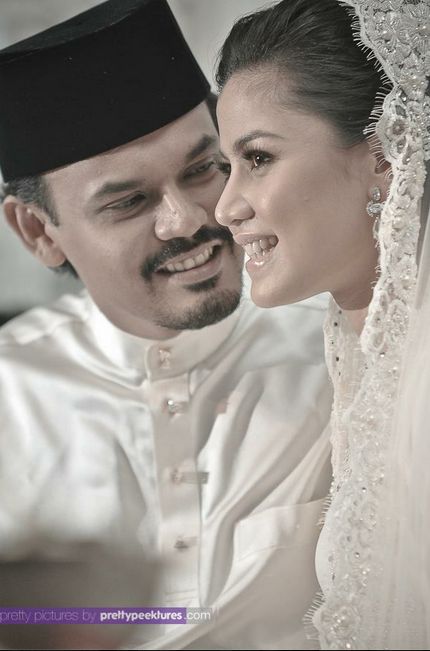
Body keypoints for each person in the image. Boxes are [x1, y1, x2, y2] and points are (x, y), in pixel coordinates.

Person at [0, 0, 333, 648]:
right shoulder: (10, 397)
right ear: (38, 231)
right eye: (128, 202)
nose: (189, 219)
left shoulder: (340, 344)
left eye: (204, 170)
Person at [214, 0, 430, 648]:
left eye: (257, 158)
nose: (224, 207)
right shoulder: (363, 364)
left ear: (384, 156)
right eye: (227, 166)